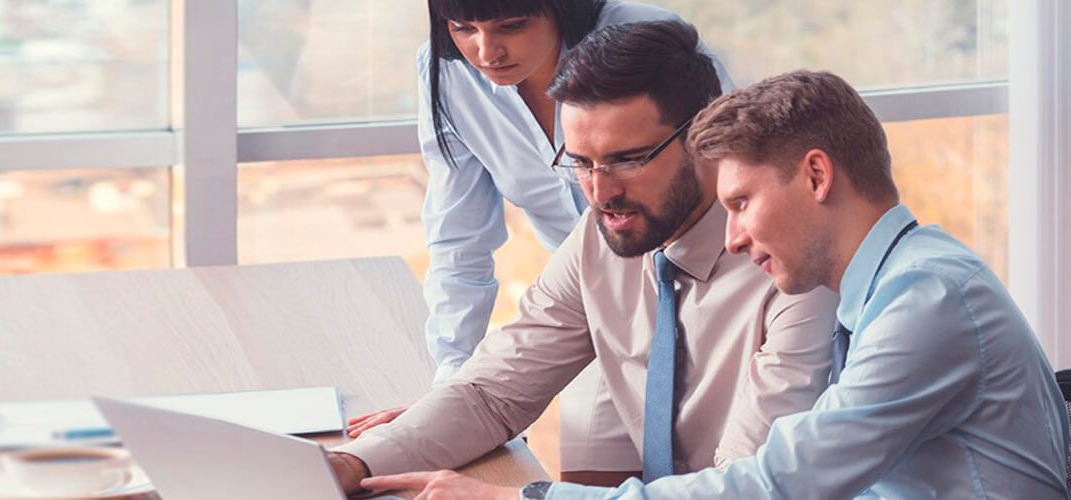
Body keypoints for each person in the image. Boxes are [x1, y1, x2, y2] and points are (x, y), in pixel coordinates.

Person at [368, 70, 1071, 499]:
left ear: (817, 177)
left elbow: (779, 486)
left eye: (740, 203)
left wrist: (530, 499)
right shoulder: (894, 284)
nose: (731, 237)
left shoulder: (927, 303)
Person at [328, 21, 836, 497]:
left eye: (627, 159)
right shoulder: (604, 235)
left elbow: (744, 488)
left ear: (704, 138)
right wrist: (351, 466)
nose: (600, 191)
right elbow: (494, 392)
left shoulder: (793, 266)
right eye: (581, 162)